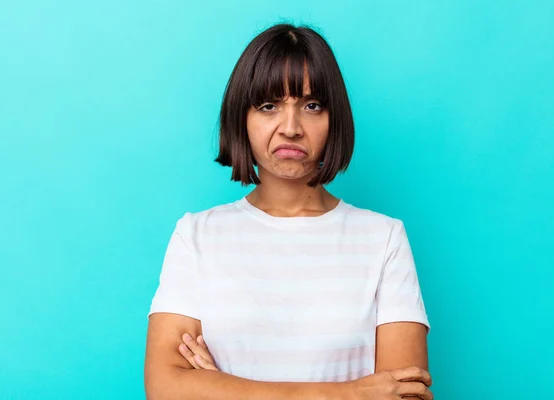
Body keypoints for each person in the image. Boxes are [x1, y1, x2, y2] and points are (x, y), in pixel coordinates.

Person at [144, 23, 433, 400]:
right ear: (242, 118)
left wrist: (221, 387)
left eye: (312, 106)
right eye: (269, 106)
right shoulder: (196, 236)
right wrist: (349, 393)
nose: (291, 127)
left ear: (334, 120)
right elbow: (166, 389)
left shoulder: (383, 238)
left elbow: (403, 395)